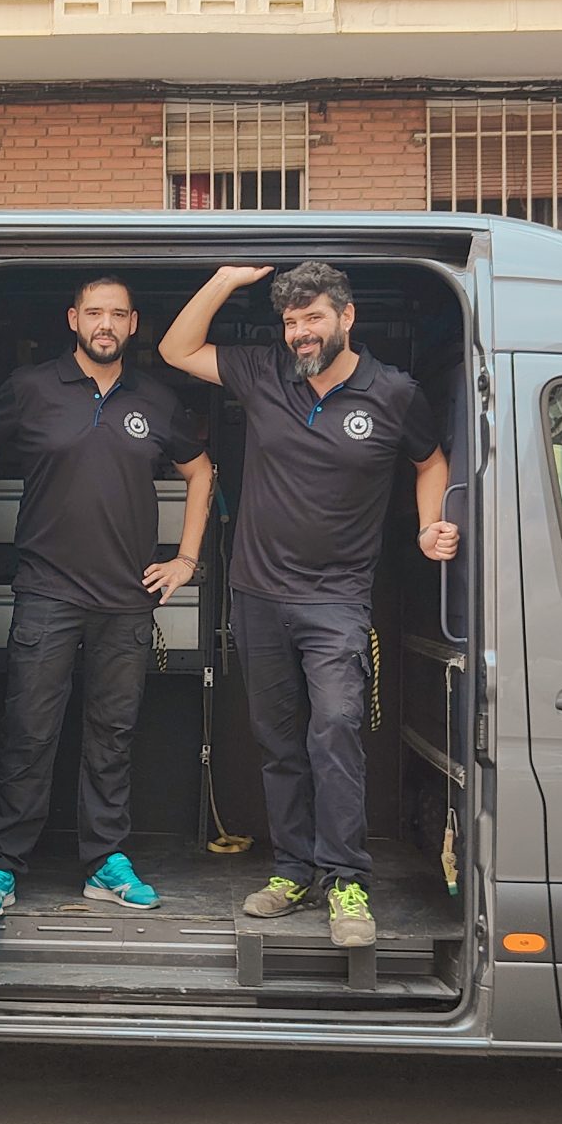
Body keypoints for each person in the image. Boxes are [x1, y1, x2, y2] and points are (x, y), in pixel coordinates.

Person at [160, 261, 457, 949]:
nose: (300, 333)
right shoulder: (263, 371)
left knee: (337, 730)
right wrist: (224, 280)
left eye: (313, 317)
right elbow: (176, 349)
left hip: (337, 601)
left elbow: (431, 462)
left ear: (347, 318)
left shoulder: (394, 392)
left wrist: (428, 526)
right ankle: (293, 871)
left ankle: (346, 880)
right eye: (291, 321)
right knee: (278, 742)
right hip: (258, 595)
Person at [0, 276, 216, 920]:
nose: (104, 324)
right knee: (29, 732)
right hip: (46, 592)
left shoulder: (155, 399)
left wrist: (185, 560)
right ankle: (3, 863)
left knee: (113, 735)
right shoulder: (31, 388)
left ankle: (105, 861)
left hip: (126, 598)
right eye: (93, 313)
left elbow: (200, 471)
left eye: (117, 314)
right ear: (72, 318)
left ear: (133, 324)